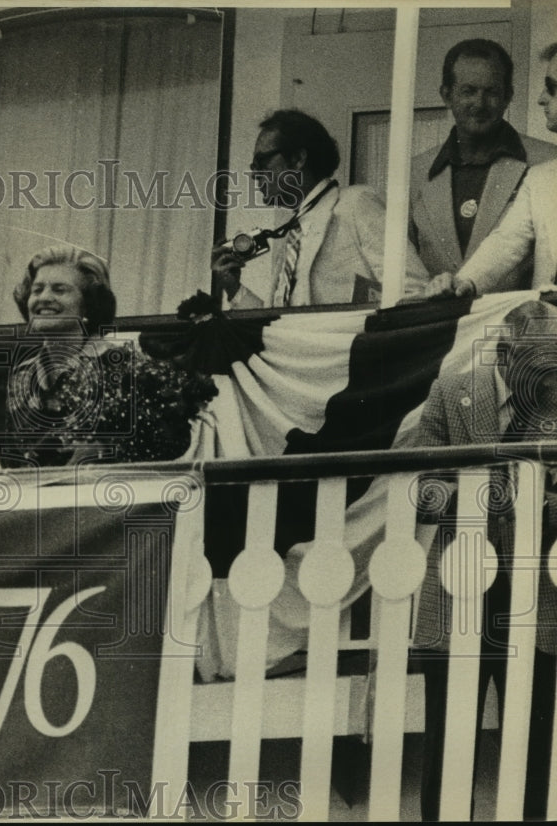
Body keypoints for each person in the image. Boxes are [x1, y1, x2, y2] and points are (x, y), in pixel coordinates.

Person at [412, 299, 557, 820]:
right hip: (457, 595)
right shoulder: (451, 390)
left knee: (533, 752)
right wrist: (478, 494)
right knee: (449, 749)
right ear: (502, 351)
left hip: (535, 603)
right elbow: (423, 488)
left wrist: (543, 502)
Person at [1, 245, 216, 468]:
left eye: (59, 289)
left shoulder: (123, 366)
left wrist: (107, 452)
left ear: (89, 305)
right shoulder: (22, 375)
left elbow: (172, 442)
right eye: (36, 290)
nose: (44, 297)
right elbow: (14, 458)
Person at [211, 109, 428, 309]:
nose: (255, 175)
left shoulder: (357, 204)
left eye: (262, 163)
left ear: (298, 159)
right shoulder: (293, 236)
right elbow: (278, 327)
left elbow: (414, 291)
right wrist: (233, 288)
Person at [410, 39, 557, 292]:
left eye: (553, 88)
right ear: (447, 95)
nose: (541, 99)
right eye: (468, 91)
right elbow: (507, 241)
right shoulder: (542, 178)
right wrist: (463, 282)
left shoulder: (540, 160)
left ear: (506, 96)